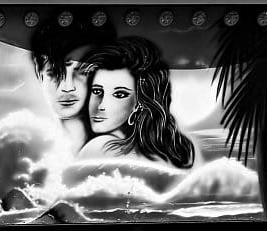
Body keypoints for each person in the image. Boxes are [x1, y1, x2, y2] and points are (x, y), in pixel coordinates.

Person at [78, 37, 195, 168]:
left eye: (119, 95)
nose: (101, 106)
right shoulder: (151, 153)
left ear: (138, 104)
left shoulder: (100, 148)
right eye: (97, 91)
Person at [30, 10, 116, 156]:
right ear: (39, 72)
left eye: (82, 72)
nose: (68, 87)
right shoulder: (27, 142)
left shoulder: (112, 149)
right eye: (55, 74)